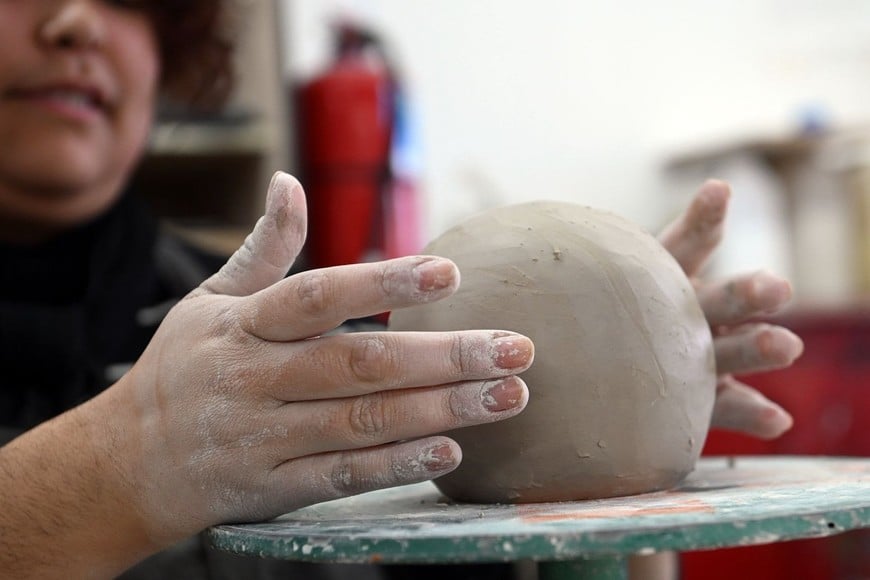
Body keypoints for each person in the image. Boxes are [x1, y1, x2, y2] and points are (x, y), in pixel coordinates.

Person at [0, 1, 804, 578]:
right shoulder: (214, 370)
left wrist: (632, 355)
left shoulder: (264, 336)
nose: (75, 20)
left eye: (124, 0)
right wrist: (115, 466)